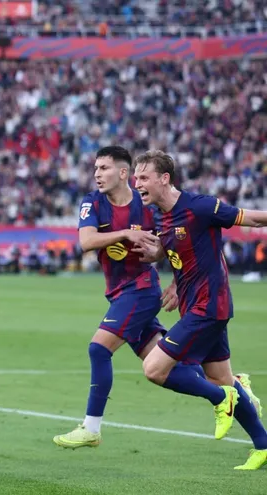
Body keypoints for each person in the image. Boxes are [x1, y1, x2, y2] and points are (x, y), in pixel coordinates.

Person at [133, 149, 266, 470]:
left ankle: (221, 400)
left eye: (144, 177)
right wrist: (163, 266)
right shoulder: (160, 216)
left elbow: (253, 217)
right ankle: (263, 444)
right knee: (221, 378)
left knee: (154, 369)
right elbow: (179, 251)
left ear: (164, 179)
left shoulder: (201, 206)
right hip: (194, 305)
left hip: (209, 306)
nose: (138, 183)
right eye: (136, 177)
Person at [53, 146, 175, 448]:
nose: (97, 173)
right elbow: (86, 241)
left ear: (123, 173)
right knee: (163, 366)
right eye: (95, 168)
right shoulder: (92, 202)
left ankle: (91, 428)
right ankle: (229, 387)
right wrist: (125, 234)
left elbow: (178, 241)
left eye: (104, 168)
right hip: (119, 294)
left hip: (142, 291)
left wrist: (179, 280)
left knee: (99, 349)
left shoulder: (148, 205)